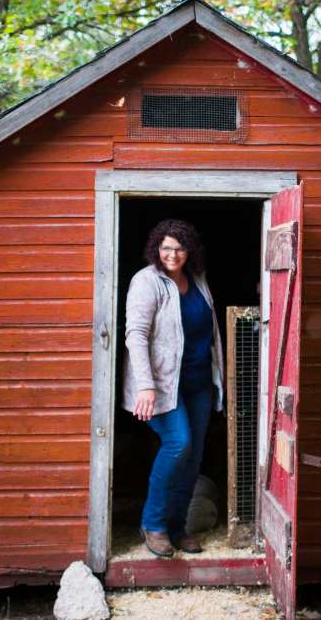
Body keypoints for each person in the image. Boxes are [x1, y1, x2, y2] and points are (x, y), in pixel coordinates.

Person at [122, 219, 224, 557]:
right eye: (166, 247)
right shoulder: (146, 282)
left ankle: (178, 528)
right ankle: (153, 524)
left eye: (179, 248)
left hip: (197, 383)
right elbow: (135, 335)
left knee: (193, 457)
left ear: (188, 250)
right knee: (178, 443)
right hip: (162, 385)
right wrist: (145, 386)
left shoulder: (198, 280)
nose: (173, 254)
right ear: (156, 249)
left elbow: (209, 329)